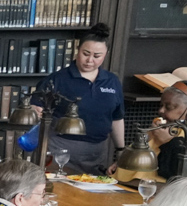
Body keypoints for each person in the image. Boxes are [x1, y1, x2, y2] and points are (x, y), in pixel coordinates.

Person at [31, 23, 125, 176]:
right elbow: (36, 108)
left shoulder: (112, 81)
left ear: (105, 54)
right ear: (77, 50)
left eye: (96, 56)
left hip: (97, 151)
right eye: (85, 53)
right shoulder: (58, 79)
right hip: (60, 149)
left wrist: (121, 150)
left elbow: (117, 118)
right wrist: (35, 111)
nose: (89, 60)